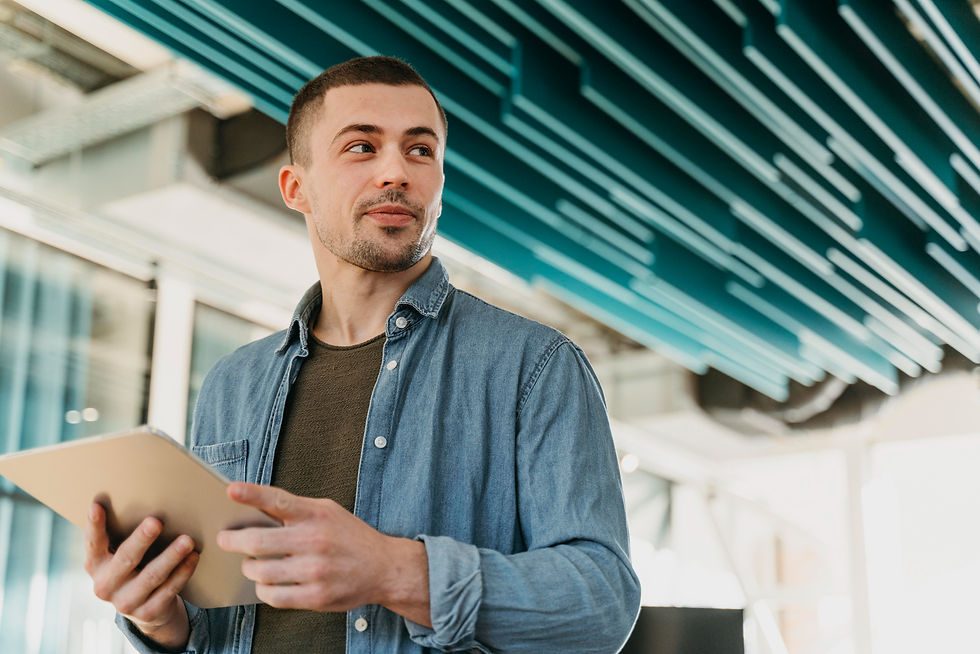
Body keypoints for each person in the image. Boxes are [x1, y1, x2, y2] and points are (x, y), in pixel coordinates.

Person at [83, 56, 640, 653]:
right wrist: (159, 620)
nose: (396, 172)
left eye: (420, 151)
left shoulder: (536, 367)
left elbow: (602, 602)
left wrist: (393, 570)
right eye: (361, 147)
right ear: (298, 188)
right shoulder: (232, 382)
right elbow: (222, 625)